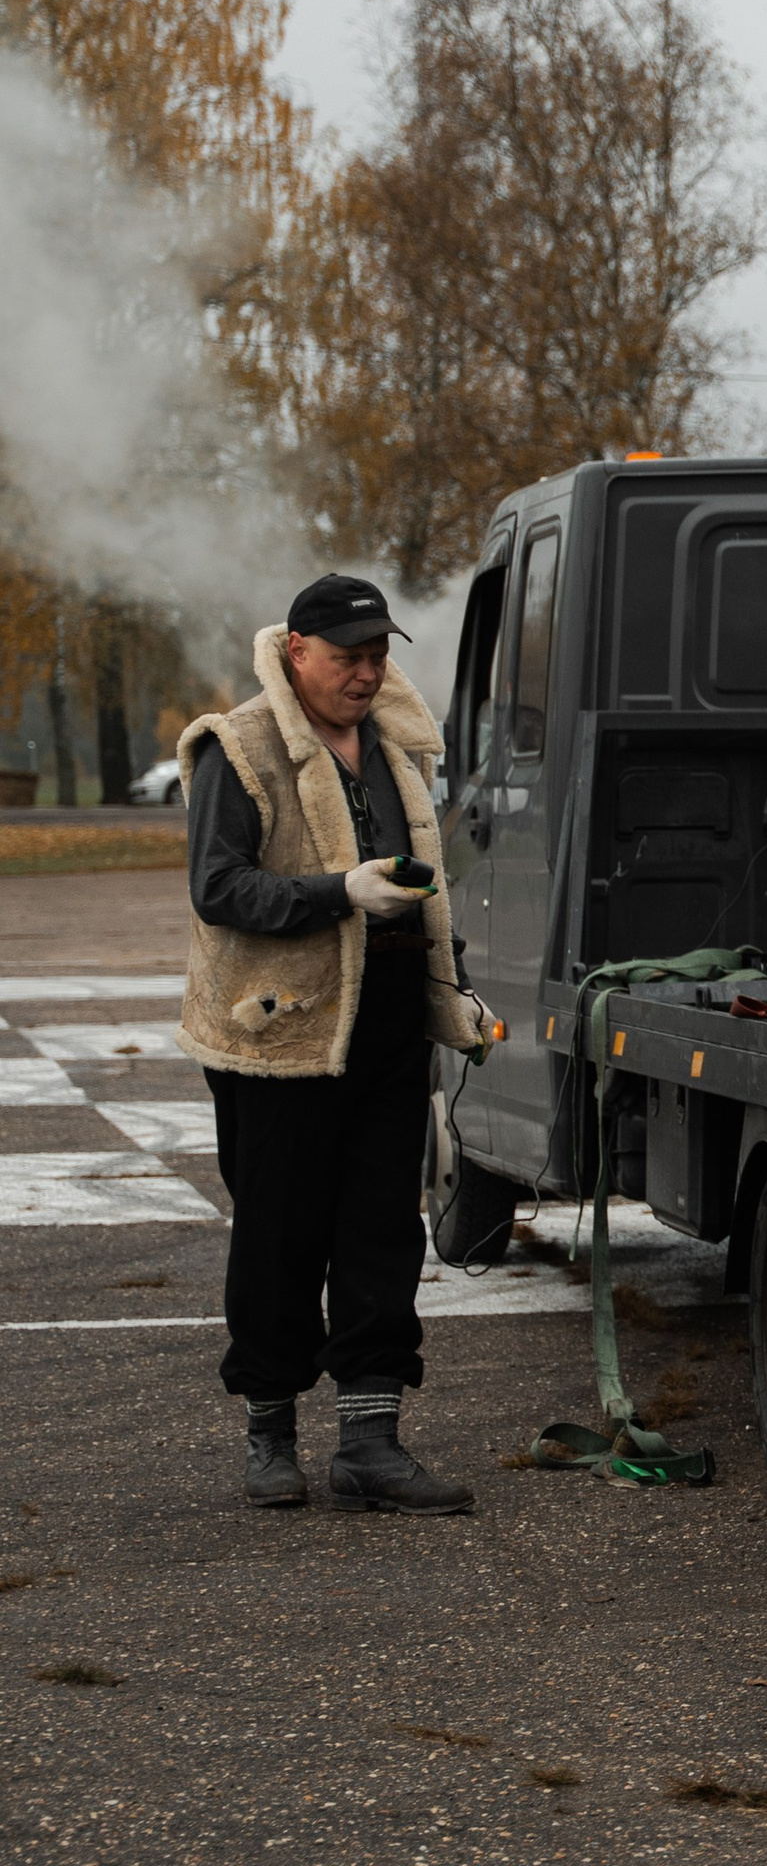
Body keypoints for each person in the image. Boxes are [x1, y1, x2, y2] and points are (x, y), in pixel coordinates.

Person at [177, 573, 489, 1512]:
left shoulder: (397, 747)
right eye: (349, 657)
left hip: (390, 1023)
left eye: (377, 655)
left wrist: (449, 979)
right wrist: (337, 894)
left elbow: (421, 883)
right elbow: (218, 889)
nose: (367, 673)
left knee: (382, 1234)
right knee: (278, 1238)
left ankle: (370, 1443)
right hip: (279, 1034)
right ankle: (270, 1433)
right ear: (297, 653)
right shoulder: (240, 746)